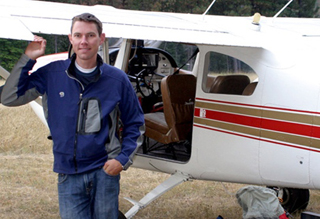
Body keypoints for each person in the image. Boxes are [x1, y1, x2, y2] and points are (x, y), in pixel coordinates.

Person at [1, 13, 145, 219]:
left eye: (90, 35)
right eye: (78, 35)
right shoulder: (52, 74)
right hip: (68, 172)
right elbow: (9, 97)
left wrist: (122, 160)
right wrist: (28, 59)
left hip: (104, 170)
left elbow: (135, 123)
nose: (83, 41)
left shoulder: (117, 79)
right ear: (71, 39)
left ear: (101, 38)